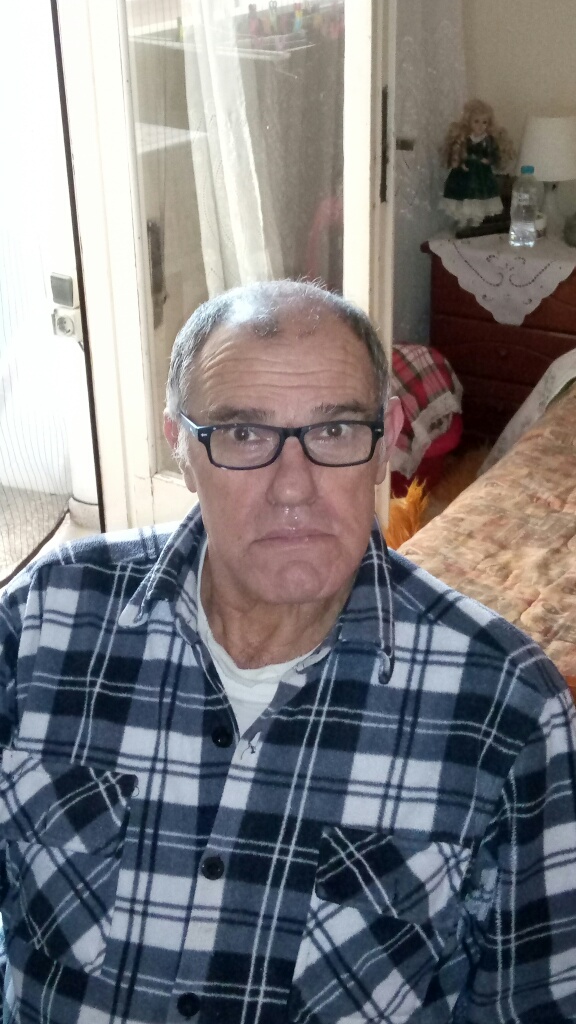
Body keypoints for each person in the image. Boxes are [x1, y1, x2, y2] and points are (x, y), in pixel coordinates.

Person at [0, 279, 575, 1024]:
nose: (293, 488)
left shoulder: (509, 706)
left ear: (385, 439)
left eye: (334, 430)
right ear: (181, 446)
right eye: (244, 434)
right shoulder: (44, 619)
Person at [440, 98, 514, 228]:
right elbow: (458, 153)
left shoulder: (488, 140)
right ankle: (463, 220)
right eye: (476, 121)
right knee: (463, 197)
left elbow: (494, 154)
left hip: (481, 175)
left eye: (484, 122)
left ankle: (476, 221)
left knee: (479, 198)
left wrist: (488, 160)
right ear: (468, 122)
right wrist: (460, 161)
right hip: (464, 174)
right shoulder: (465, 139)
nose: (480, 126)